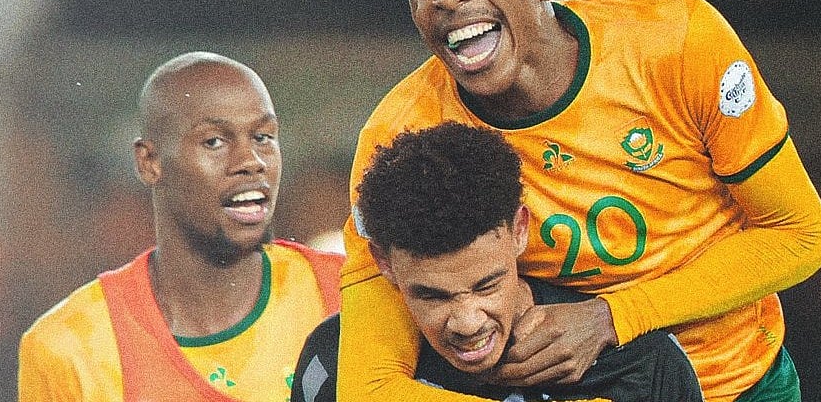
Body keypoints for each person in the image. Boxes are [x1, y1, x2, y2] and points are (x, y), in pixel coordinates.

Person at [337, 0, 821, 402]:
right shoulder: (402, 138)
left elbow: (800, 235)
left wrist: (612, 318)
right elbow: (369, 386)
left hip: (743, 381)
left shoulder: (678, 42)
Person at [292, 122, 703, 402]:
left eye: (487, 285)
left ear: (520, 230)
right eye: (433, 296)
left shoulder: (644, 366)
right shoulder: (332, 362)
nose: (468, 324)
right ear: (383, 261)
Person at [18, 51, 343, 401]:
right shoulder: (70, 347)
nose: (251, 161)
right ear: (149, 162)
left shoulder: (347, 293)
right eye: (214, 141)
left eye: (263, 137)